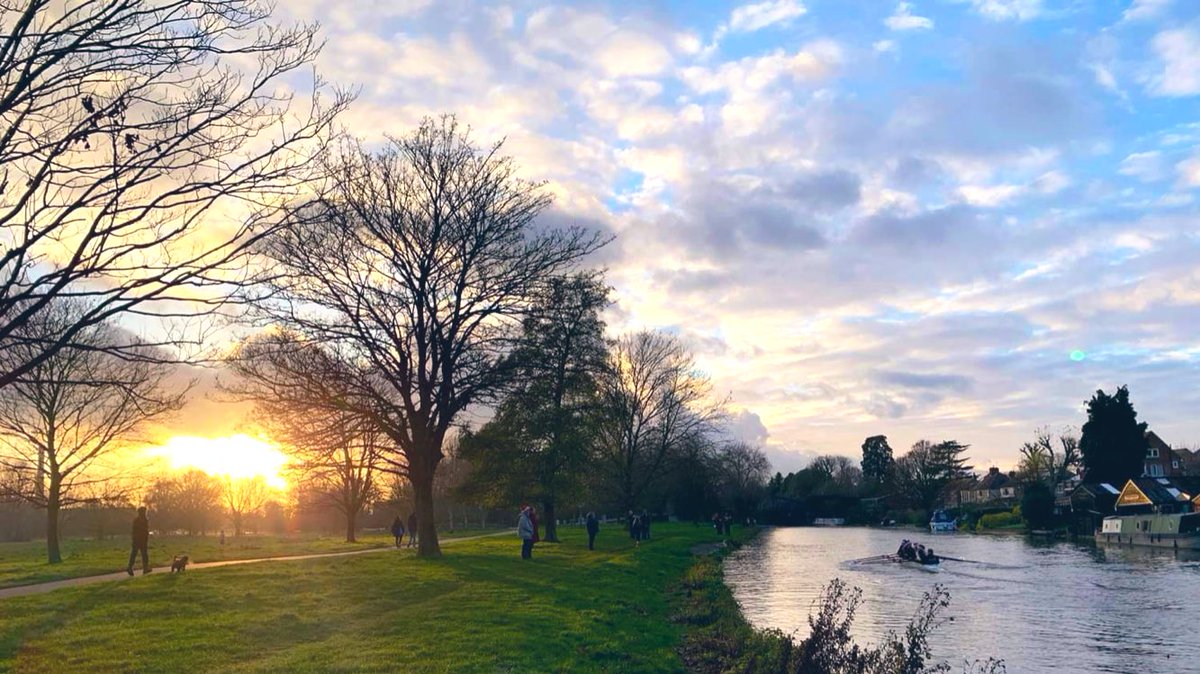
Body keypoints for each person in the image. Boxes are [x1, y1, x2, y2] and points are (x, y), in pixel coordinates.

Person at [127, 506, 151, 576]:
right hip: (141, 540)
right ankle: (144, 568)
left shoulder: (137, 520)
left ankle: (130, 567)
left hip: (137, 540)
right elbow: (144, 531)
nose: (146, 513)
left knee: (135, 554)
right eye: (145, 512)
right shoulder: (143, 520)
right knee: (143, 554)